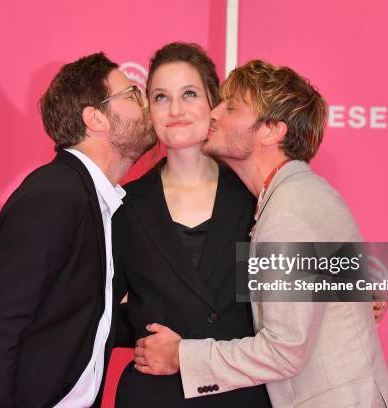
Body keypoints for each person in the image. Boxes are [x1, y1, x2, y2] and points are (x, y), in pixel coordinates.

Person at [133, 60, 388, 407]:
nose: (214, 115)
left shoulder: (287, 212)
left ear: (271, 131)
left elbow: (284, 350)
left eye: (231, 107)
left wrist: (182, 356)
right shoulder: (302, 194)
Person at [0, 53, 155, 408]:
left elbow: (85, 316)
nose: (145, 104)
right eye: (132, 95)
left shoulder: (101, 202)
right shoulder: (54, 195)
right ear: (95, 117)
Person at [112, 43, 272, 407]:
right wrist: (144, 331)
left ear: (212, 103)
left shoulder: (256, 194)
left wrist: (356, 293)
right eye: (161, 97)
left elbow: (291, 280)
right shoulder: (123, 204)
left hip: (239, 392)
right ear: (149, 110)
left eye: (189, 94)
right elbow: (102, 309)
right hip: (155, 394)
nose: (176, 110)